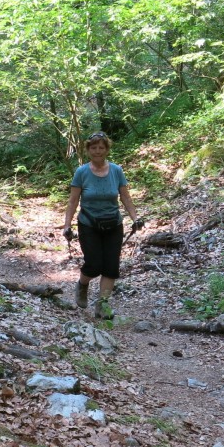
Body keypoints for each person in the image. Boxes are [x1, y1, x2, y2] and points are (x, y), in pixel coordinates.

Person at [62, 132, 144, 318]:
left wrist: (134, 218)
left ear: (107, 149)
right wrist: (67, 225)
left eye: (101, 148)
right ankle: (82, 285)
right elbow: (73, 201)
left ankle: (102, 305)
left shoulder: (116, 170)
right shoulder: (81, 172)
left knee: (111, 267)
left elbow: (125, 197)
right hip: (88, 224)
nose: (97, 151)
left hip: (114, 224)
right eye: (94, 148)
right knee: (94, 264)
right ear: (88, 149)